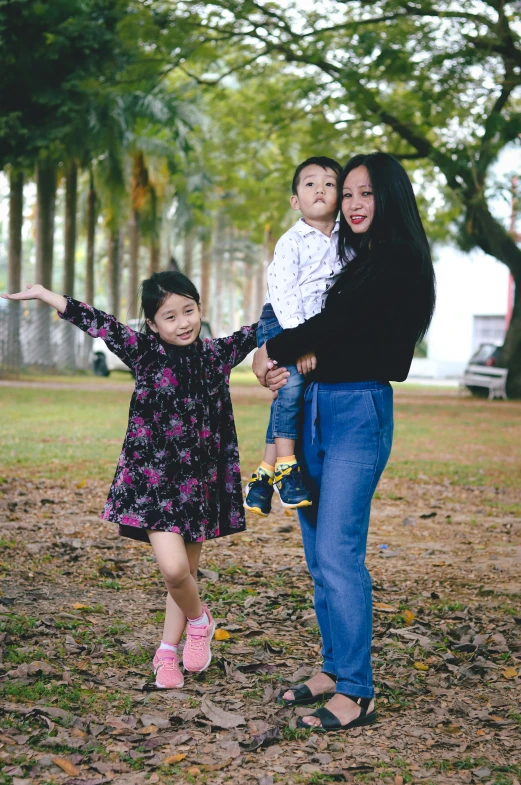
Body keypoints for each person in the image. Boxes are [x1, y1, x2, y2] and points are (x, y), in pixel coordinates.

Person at [2, 273, 257, 689]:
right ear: (153, 325)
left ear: (200, 309)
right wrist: (47, 295)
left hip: (200, 484)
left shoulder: (215, 354)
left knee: (186, 575)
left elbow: (262, 328)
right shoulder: (144, 353)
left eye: (189, 311)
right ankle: (200, 620)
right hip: (154, 484)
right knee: (175, 572)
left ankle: (166, 654)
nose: (183, 323)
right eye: (169, 316)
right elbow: (98, 322)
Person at [252, 152, 436, 732]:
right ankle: (333, 667)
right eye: (347, 194)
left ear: (389, 199)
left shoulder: (398, 262)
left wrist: (268, 352)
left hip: (359, 410)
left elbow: (330, 329)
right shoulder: (346, 255)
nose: (353, 204)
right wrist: (273, 346)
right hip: (312, 410)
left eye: (365, 194)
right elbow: (293, 308)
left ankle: (357, 689)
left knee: (338, 553)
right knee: (316, 555)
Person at [244, 155, 351, 517]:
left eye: (330, 183)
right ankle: (288, 468)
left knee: (292, 392)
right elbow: (284, 291)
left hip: (311, 327)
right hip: (283, 321)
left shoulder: (346, 241)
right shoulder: (292, 241)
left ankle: (262, 475)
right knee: (289, 386)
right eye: (309, 184)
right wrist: (301, 341)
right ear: (295, 201)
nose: (320, 188)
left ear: (341, 196)